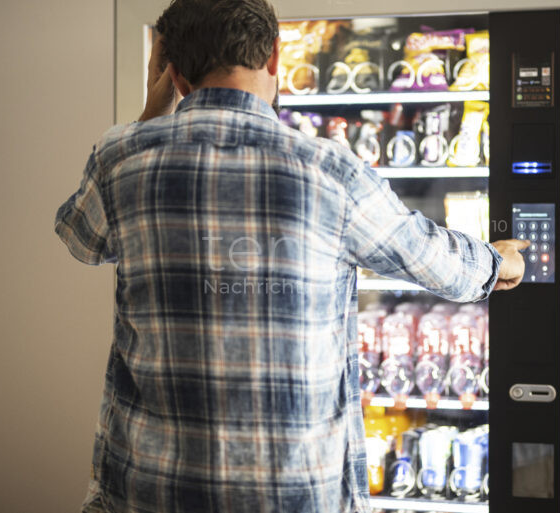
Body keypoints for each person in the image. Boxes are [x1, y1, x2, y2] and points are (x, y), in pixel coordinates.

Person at [54, 0, 528, 511]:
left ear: (169, 71)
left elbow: (82, 240)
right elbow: (440, 264)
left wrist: (149, 118)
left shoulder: (121, 156)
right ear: (276, 59)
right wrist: (499, 261)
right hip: (294, 493)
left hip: (149, 487)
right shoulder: (332, 171)